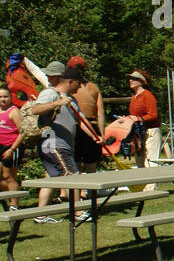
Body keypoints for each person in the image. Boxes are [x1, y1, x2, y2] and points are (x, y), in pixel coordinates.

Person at [27, 61, 89, 223]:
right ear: (70, 82)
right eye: (78, 84)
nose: (80, 88)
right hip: (54, 144)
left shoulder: (71, 100)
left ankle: (41, 215)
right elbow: (36, 109)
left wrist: (98, 138)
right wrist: (58, 103)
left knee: (51, 178)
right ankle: (78, 212)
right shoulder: (51, 94)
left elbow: (81, 122)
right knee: (73, 175)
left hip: (63, 145)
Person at [67, 56, 105, 175]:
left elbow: (100, 112)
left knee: (80, 164)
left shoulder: (71, 87)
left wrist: (102, 134)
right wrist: (102, 134)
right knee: (86, 164)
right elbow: (100, 112)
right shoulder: (93, 87)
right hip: (82, 126)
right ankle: (84, 193)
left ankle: (83, 193)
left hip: (84, 127)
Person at [126, 68, 160, 188]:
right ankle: (142, 185)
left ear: (141, 81)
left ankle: (151, 187)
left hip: (151, 131)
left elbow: (153, 114)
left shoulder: (147, 95)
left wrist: (139, 119)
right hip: (139, 132)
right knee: (140, 158)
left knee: (150, 159)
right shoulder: (134, 97)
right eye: (130, 78)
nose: (131, 80)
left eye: (134, 79)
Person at [0, 86, 22, 207]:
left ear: (10, 97)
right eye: (0, 97)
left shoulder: (14, 111)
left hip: (11, 146)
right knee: (2, 177)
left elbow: (23, 132)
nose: (3, 99)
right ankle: (12, 195)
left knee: (9, 177)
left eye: (5, 96)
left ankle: (14, 205)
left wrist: (12, 149)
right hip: (0, 145)